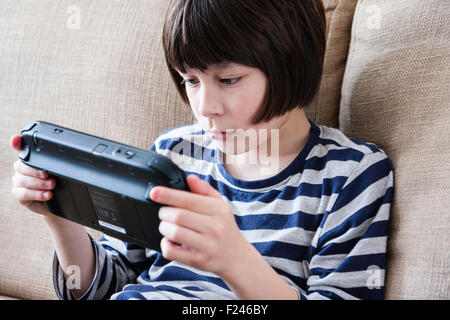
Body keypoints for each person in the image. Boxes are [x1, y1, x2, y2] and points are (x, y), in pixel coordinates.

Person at [10, 0, 393, 300]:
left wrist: (234, 260)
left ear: (291, 62)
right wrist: (60, 212)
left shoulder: (351, 174)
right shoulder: (173, 153)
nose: (204, 106)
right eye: (190, 80)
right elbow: (101, 287)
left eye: (228, 79)